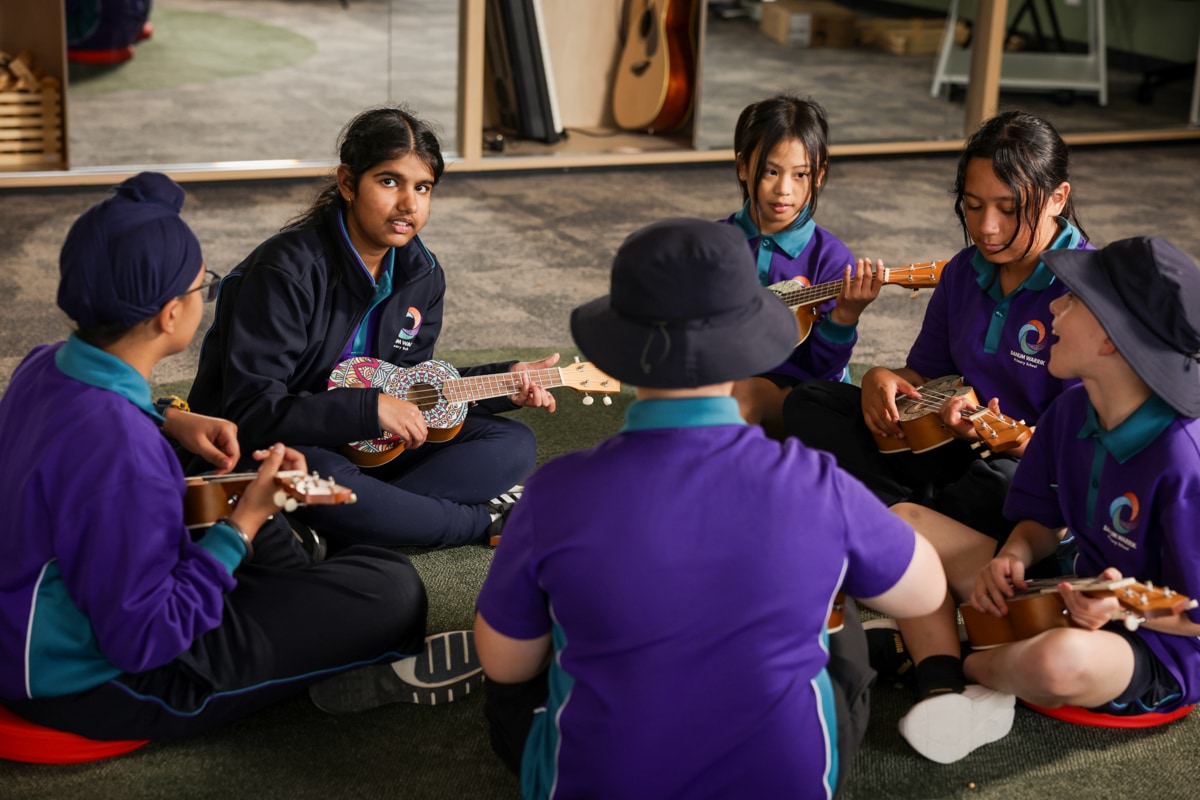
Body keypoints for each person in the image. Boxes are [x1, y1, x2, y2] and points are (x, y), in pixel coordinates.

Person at [473, 218, 948, 798]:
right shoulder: (815, 482)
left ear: (621, 353)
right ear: (748, 346)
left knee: (513, 684)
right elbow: (923, 593)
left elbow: (505, 665)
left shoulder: (555, 491)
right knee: (838, 620)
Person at [0, 173, 482, 741]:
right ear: (169, 316)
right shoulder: (121, 452)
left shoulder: (43, 360)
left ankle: (305, 598)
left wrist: (171, 418)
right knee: (391, 587)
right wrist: (242, 524)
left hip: (45, 616)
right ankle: (341, 652)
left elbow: (100, 442)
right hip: (96, 680)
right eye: (200, 285)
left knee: (227, 483)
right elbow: (146, 638)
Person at [878, 236, 1200, 764]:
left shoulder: (1184, 461)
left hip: (1152, 647)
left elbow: (1195, 614)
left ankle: (952, 665)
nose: (1053, 304)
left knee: (1060, 659)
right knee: (901, 523)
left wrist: (1126, 609)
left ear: (1109, 340)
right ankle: (953, 676)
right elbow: (1042, 519)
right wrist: (1015, 555)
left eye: (1071, 298)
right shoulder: (1072, 409)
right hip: (1068, 585)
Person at [187, 106, 556, 549]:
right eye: (389, 182)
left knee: (511, 442)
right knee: (315, 476)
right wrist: (368, 409)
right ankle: (475, 522)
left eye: (422, 187)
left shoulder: (423, 274)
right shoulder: (284, 272)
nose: (409, 204)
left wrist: (503, 383)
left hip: (373, 449)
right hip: (285, 448)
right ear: (347, 183)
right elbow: (252, 414)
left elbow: (413, 389)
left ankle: (351, 520)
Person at [784, 110, 1091, 541]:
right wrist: (881, 379)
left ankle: (891, 513)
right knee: (809, 402)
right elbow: (924, 376)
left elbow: (1089, 447)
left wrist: (1010, 440)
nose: (986, 228)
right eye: (972, 205)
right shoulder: (963, 271)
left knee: (1003, 488)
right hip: (943, 441)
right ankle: (919, 517)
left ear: (1058, 198)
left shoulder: (1089, 293)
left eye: (1008, 209)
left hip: (1024, 461)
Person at [720, 95, 883, 436]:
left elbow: (818, 368)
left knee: (739, 397)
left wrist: (844, 318)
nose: (784, 190)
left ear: (819, 175)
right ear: (743, 167)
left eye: (800, 175)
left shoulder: (832, 259)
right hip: (726, 373)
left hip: (797, 389)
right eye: (770, 171)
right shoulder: (715, 243)